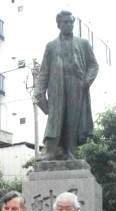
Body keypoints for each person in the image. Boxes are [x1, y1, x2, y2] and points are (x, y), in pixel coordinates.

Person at [34, 10, 99, 161]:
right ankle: (51, 150)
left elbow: (94, 65)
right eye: (65, 22)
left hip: (76, 86)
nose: (69, 25)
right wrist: (39, 91)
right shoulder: (51, 46)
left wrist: (86, 82)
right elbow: (44, 71)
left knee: (73, 119)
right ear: (59, 24)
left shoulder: (83, 43)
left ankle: (70, 152)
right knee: (55, 119)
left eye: (71, 22)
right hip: (57, 87)